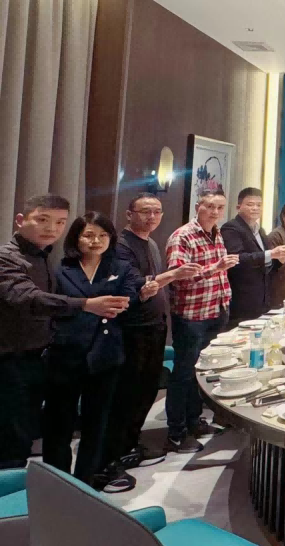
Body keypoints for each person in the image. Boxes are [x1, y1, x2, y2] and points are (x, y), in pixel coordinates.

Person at [0, 195, 127, 472]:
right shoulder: (7, 258)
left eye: (59, 222)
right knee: (12, 442)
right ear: (20, 220)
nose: (52, 228)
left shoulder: (42, 257)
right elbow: (28, 299)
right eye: (43, 220)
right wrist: (86, 304)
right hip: (11, 361)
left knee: (27, 434)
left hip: (40, 358)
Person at [42, 212, 137, 490]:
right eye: (89, 235)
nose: (96, 241)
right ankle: (56, 484)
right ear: (76, 238)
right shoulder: (59, 268)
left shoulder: (121, 267)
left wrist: (84, 305)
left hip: (106, 354)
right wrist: (92, 305)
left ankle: (86, 482)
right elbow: (55, 305)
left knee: (97, 422)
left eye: (103, 235)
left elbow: (126, 300)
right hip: (66, 353)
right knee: (59, 423)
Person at [110, 193, 201, 474]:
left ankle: (132, 443)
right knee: (129, 392)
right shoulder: (121, 245)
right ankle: (120, 450)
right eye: (145, 211)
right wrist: (174, 275)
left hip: (154, 325)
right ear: (129, 214)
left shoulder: (149, 243)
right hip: (133, 328)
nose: (152, 217)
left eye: (157, 212)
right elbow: (135, 285)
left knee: (147, 388)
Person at [164, 187, 240, 454]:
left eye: (219, 207)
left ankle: (195, 421)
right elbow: (177, 276)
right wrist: (215, 268)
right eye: (209, 206)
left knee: (201, 373)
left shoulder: (216, 233)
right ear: (198, 207)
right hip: (191, 316)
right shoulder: (183, 236)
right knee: (184, 374)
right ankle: (176, 433)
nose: (214, 212)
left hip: (215, 311)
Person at [221, 187, 285, 323]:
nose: (255, 208)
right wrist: (271, 254)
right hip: (242, 298)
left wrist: (279, 260)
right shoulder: (231, 228)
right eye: (250, 204)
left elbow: (265, 264)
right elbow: (237, 259)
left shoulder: (260, 230)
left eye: (259, 205)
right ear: (238, 207)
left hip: (263, 298)